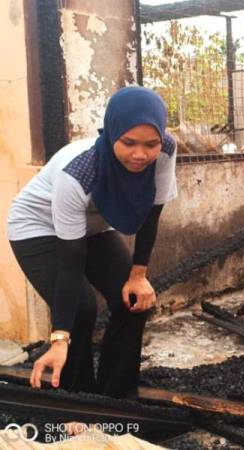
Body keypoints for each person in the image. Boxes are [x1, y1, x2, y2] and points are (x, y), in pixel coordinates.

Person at [7, 86, 177, 398]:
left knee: (133, 300)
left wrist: (138, 276)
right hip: (37, 227)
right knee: (81, 310)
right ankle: (79, 399)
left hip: (92, 226)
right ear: (111, 133)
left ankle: (117, 397)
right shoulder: (79, 173)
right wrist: (60, 337)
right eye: (128, 143)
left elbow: (152, 214)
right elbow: (72, 262)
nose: (141, 154)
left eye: (149, 144)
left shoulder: (166, 150)